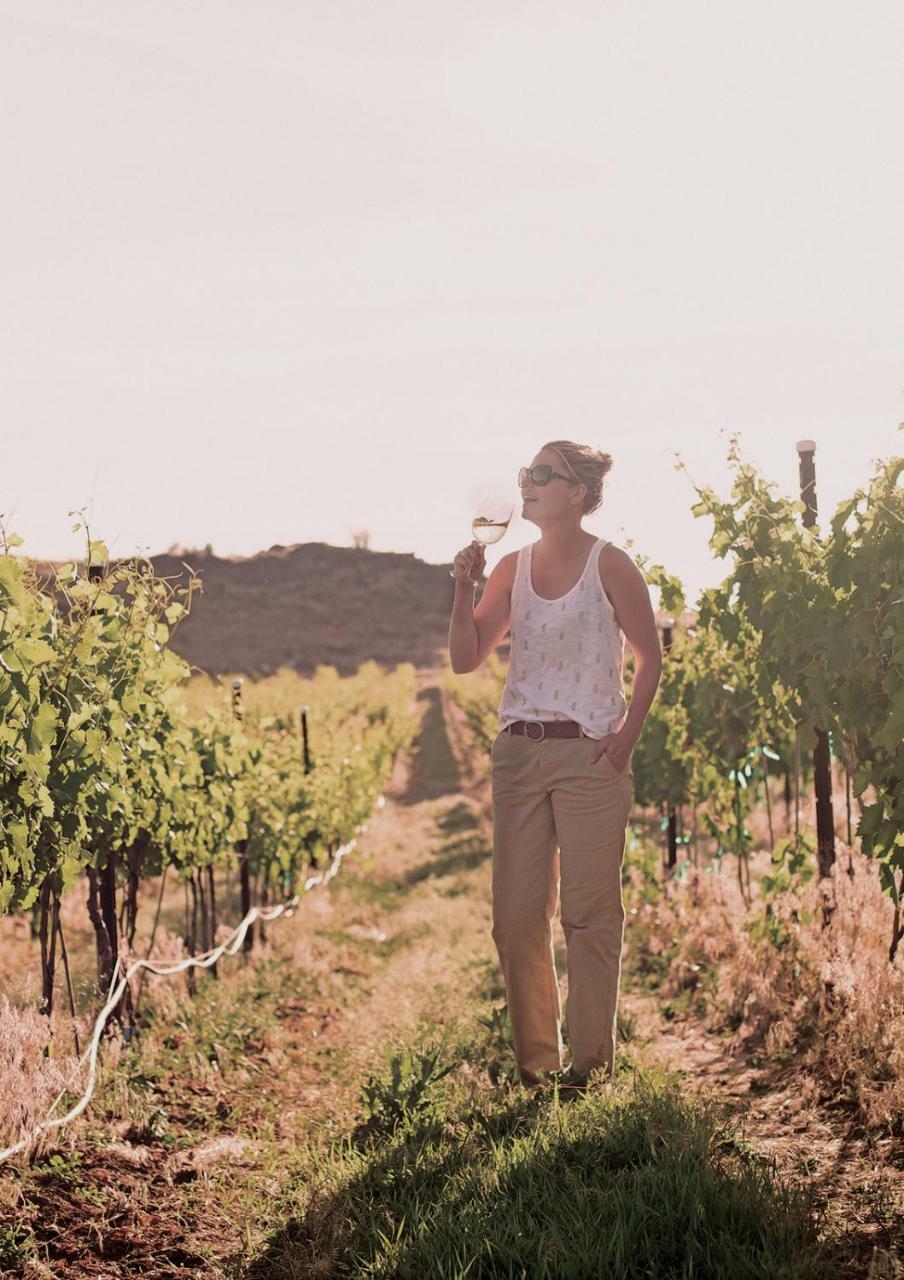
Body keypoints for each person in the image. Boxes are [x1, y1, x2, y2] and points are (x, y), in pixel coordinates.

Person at [448, 440, 662, 1090]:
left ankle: (589, 1068)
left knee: (589, 917)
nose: (529, 483)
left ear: (578, 492)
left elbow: (650, 657)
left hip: (588, 754)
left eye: (544, 475)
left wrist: (624, 741)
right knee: (515, 918)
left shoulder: (611, 565)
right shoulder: (510, 568)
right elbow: (465, 658)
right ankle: (537, 1068)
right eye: (526, 474)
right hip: (519, 753)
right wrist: (464, 590)